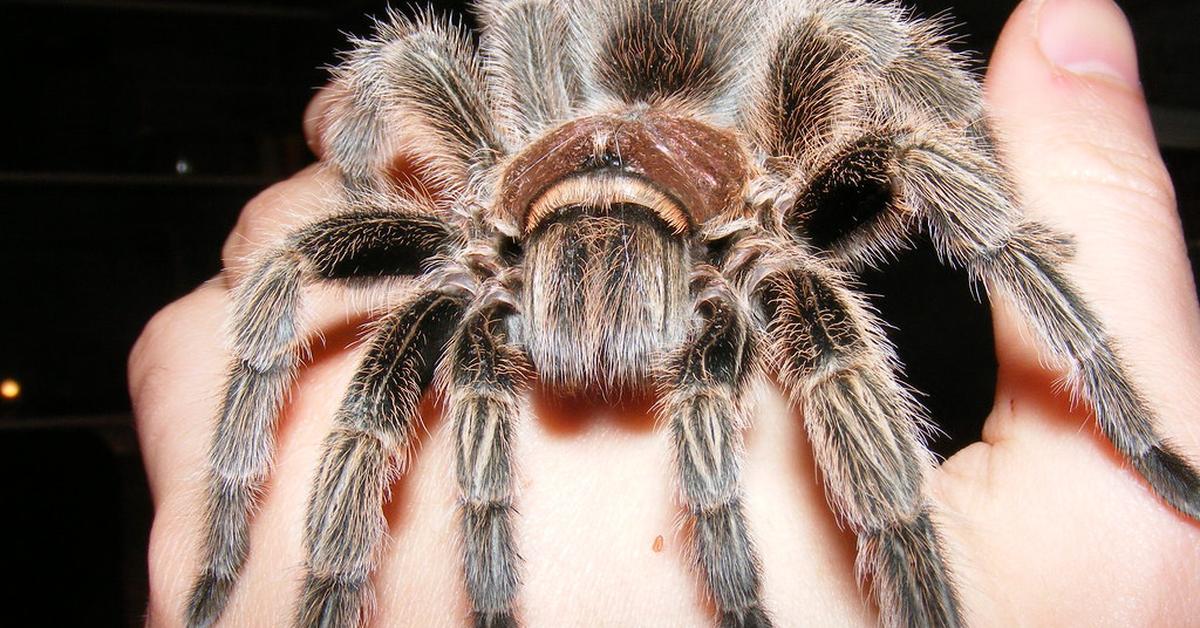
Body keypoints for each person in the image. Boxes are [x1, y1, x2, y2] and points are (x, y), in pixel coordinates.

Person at [129, 0, 1200, 624]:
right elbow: (396, 71)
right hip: (561, 163)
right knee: (308, 289)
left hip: (730, 161)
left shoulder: (777, 201)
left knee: (902, 155)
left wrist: (994, 193)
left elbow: (896, 71)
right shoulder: (470, 230)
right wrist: (227, 551)